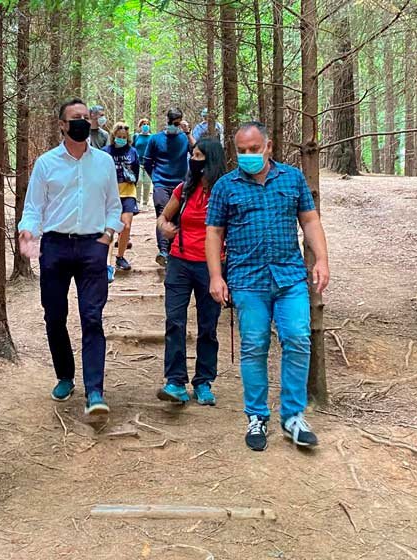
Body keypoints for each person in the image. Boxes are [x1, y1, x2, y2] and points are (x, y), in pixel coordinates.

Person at [205, 121, 330, 452]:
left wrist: (321, 260)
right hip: (247, 280)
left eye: (254, 149)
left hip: (289, 277)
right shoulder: (225, 187)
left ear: (269, 146)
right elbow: (214, 232)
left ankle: (293, 416)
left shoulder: (291, 178)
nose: (248, 155)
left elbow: (309, 220)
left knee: (297, 339)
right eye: (242, 151)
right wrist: (216, 276)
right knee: (254, 346)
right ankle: (257, 416)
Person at [18, 98, 123, 419]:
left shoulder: (104, 162)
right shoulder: (46, 164)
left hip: (93, 246)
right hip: (55, 247)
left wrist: (106, 237)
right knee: (54, 315)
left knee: (92, 318)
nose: (81, 121)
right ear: (62, 125)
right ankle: (65, 376)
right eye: (74, 118)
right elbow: (34, 207)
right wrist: (28, 234)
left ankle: (95, 391)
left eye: (85, 117)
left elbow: (114, 206)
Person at [155, 138, 226, 406]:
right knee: (175, 321)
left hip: (212, 266)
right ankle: (175, 381)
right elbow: (163, 217)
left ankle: (204, 382)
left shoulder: (225, 192)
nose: (193, 160)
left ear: (211, 159)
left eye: (198, 156)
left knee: (208, 326)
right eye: (192, 155)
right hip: (179, 262)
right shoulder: (183, 190)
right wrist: (165, 228)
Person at [143, 107, 191, 266]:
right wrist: (156, 179)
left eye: (177, 123)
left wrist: (188, 133)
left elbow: (196, 151)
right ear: (167, 121)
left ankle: (173, 251)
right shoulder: (155, 139)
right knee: (163, 215)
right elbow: (147, 162)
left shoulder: (184, 138)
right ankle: (163, 251)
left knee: (178, 217)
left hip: (180, 184)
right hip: (161, 184)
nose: (174, 125)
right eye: (172, 122)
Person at [102, 122, 140, 280]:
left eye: (124, 137)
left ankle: (120, 256)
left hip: (128, 192)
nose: (121, 139)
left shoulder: (133, 152)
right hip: (110, 194)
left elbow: (136, 170)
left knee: (126, 226)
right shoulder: (105, 152)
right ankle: (106, 264)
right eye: (119, 137)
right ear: (113, 136)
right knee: (109, 227)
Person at [132, 118, 154, 208]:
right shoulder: (136, 136)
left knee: (147, 183)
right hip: (138, 162)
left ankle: (145, 203)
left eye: (147, 124)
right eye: (144, 124)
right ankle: (137, 201)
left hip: (148, 163)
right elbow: (132, 148)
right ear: (140, 126)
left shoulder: (152, 137)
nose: (146, 126)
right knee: (139, 181)